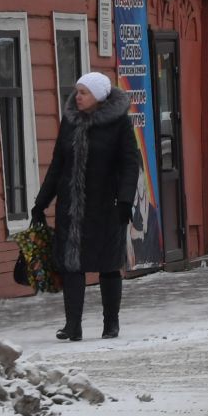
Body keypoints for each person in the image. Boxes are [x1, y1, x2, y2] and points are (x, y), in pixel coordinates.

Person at [33, 71, 139, 342]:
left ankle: (111, 324)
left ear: (99, 97)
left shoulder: (119, 124)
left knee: (108, 264)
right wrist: (40, 203)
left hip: (107, 205)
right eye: (77, 91)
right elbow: (58, 166)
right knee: (71, 266)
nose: (77, 96)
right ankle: (72, 325)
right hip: (72, 207)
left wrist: (125, 201)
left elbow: (129, 164)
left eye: (83, 92)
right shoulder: (70, 122)